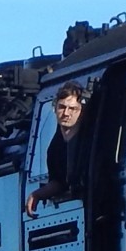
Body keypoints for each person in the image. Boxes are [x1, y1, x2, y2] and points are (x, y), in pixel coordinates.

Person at [26, 82, 85, 217]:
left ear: (81, 111)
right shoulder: (55, 147)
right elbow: (59, 181)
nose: (66, 113)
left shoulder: (89, 139)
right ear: (55, 107)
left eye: (72, 109)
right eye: (62, 107)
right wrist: (37, 194)